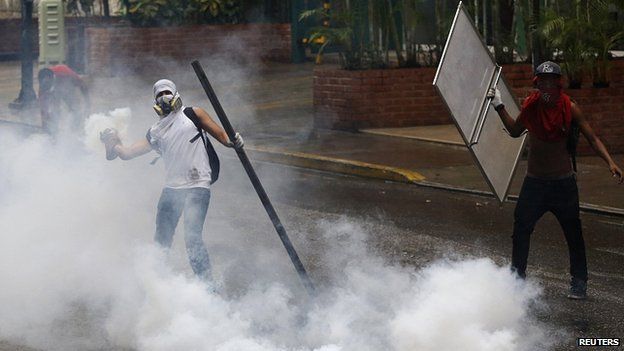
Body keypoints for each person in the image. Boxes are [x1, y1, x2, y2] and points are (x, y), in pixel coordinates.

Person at [488, 61, 623, 300]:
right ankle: (517, 280)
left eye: (552, 81)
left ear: (559, 83)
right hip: (535, 183)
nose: (547, 86)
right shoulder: (531, 106)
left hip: (563, 184)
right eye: (543, 82)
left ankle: (579, 282)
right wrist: (498, 105)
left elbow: (592, 138)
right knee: (521, 228)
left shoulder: (570, 108)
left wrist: (610, 162)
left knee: (573, 233)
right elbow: (514, 130)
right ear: (537, 84)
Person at [99, 79, 244, 283]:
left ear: (176, 93)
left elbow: (220, 133)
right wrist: (113, 143)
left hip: (197, 186)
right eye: (159, 95)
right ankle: (158, 287)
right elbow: (129, 153)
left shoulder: (193, 114)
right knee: (161, 240)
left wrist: (232, 141)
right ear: (155, 101)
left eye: (167, 92)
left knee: (192, 238)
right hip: (172, 189)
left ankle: (207, 286)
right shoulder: (156, 131)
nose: (163, 97)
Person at [38, 64, 90, 136]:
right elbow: (43, 109)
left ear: (53, 78)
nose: (48, 89)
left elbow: (83, 86)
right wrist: (45, 127)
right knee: (54, 113)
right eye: (46, 89)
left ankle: (75, 132)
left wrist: (88, 103)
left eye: (49, 87)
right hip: (55, 95)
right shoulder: (43, 88)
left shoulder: (64, 71)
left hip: (68, 90)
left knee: (76, 109)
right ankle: (54, 135)